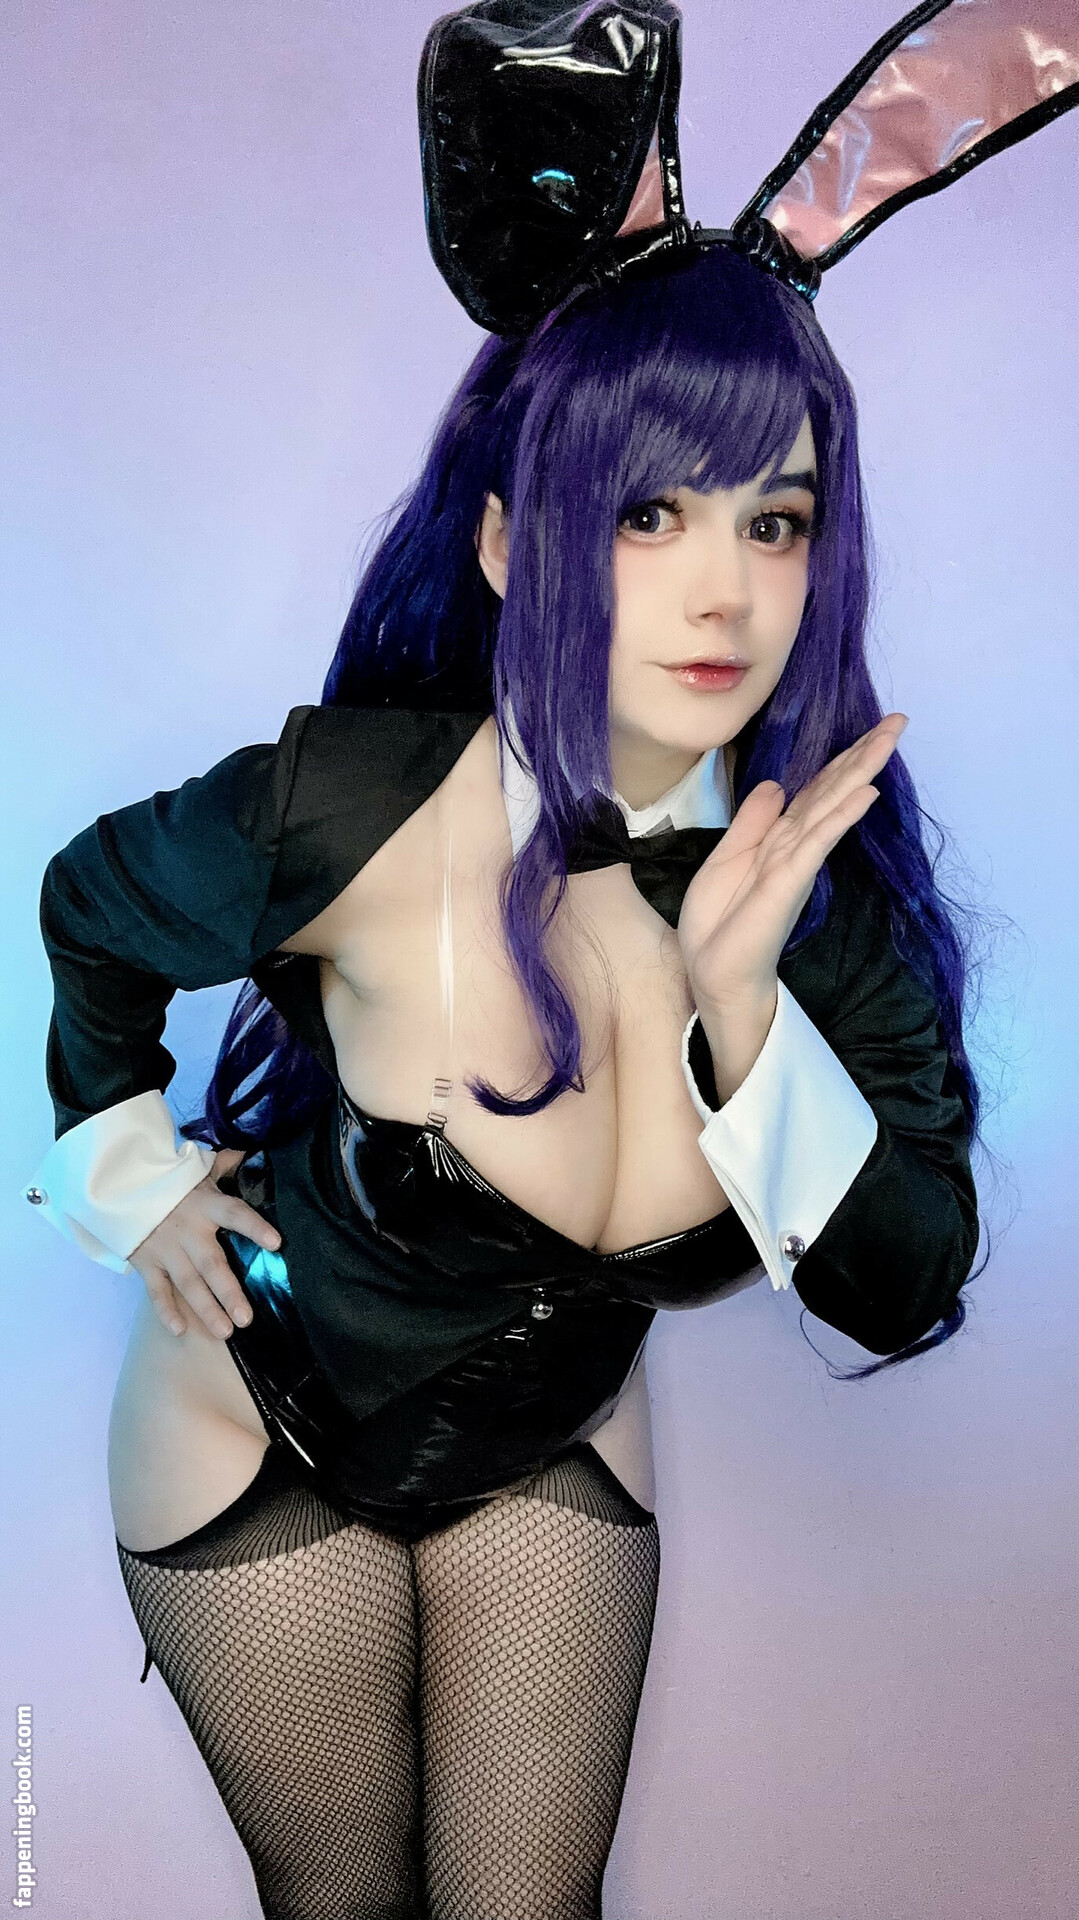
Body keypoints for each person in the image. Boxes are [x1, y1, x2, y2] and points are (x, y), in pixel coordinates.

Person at [23, 4, 1076, 1916]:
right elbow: (90, 906)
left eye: (775, 519)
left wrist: (743, 1008)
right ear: (515, 544)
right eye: (649, 512)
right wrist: (127, 1168)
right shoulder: (359, 810)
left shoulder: (815, 896)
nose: (723, 588)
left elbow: (906, 1285)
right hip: (254, 1431)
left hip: (551, 1443)